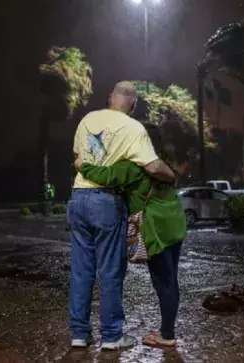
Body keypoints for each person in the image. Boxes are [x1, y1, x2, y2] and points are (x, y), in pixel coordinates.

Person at [68, 81, 175, 350]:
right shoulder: (133, 128)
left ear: (110, 98)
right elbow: (152, 165)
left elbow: (79, 159)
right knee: (110, 272)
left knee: (81, 271)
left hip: (78, 197)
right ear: (134, 104)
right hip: (107, 201)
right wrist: (170, 174)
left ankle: (79, 334)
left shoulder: (87, 119)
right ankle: (112, 337)